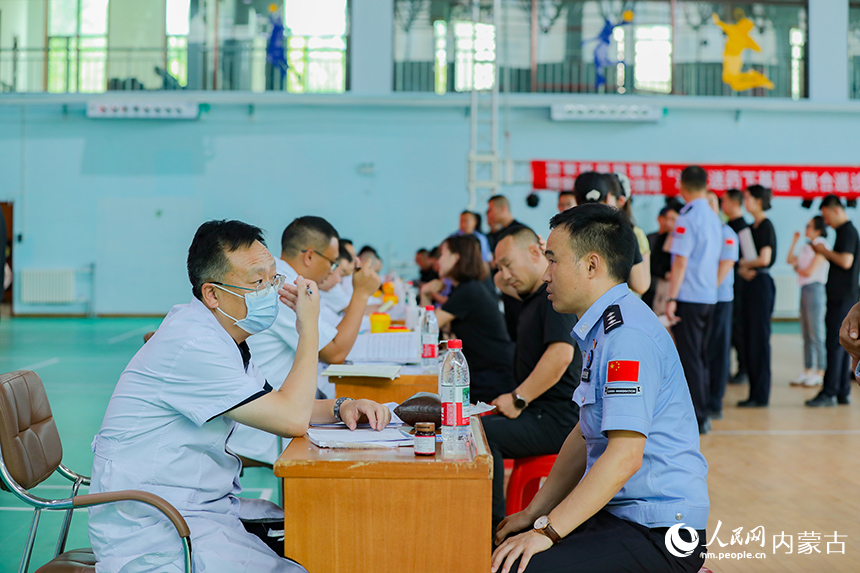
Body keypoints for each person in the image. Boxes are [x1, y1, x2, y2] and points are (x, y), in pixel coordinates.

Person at [88, 220, 390, 573]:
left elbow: (276, 401)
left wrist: (343, 407)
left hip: (196, 506)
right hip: (156, 525)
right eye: (256, 282)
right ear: (212, 294)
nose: (270, 291)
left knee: (313, 537)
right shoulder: (194, 344)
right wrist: (308, 327)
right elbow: (291, 418)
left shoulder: (223, 337)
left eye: (273, 279)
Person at [491, 204, 708, 573]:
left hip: (660, 531)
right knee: (505, 549)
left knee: (516, 567)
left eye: (553, 260)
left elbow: (625, 457)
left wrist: (548, 533)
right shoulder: (603, 331)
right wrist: (534, 515)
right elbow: (584, 434)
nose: (546, 274)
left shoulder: (627, 337)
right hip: (623, 516)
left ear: (592, 266)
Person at [228, 216, 383, 464]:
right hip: (263, 423)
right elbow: (335, 352)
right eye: (332, 263)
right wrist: (362, 293)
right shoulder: (285, 286)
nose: (333, 272)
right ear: (310, 256)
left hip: (281, 406)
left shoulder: (288, 281)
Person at [487, 225, 582, 533]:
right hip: (541, 411)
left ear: (534, 252)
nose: (504, 274)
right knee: (474, 429)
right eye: (498, 267)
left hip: (559, 418)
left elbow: (560, 356)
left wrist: (518, 398)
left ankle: (493, 533)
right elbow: (507, 284)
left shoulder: (555, 296)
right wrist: (504, 273)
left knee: (484, 437)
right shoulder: (533, 297)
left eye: (507, 264)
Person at [419, 234, 515, 403]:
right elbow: (429, 327)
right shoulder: (466, 288)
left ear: (456, 258)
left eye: (442, 254)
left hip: (492, 378)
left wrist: (425, 291)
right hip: (486, 371)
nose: (437, 261)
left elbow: (427, 327)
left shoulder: (469, 291)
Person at [665, 166, 722, 433]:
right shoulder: (713, 216)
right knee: (700, 356)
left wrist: (671, 297)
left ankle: (698, 416)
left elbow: (680, 262)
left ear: (682, 185)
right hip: (709, 296)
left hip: (688, 296)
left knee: (690, 358)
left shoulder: (687, 218)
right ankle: (705, 410)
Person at [807, 195, 860, 407]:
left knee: (836, 343)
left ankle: (830, 392)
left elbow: (846, 261)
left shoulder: (847, 230)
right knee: (839, 346)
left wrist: (823, 251)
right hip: (841, 297)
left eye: (826, 215)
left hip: (844, 299)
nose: (825, 221)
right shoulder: (844, 231)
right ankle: (841, 391)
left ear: (836, 210)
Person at [572, 172, 650, 295]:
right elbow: (641, 285)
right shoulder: (624, 232)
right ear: (609, 197)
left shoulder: (567, 231)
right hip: (616, 309)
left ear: (576, 199)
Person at [736, 185, 777, 408]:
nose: (746, 201)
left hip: (761, 285)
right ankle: (753, 393)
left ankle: (761, 395)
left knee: (759, 340)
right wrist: (742, 269)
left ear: (759, 200)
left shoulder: (766, 225)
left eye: (748, 198)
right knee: (750, 339)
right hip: (749, 286)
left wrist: (741, 263)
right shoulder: (750, 227)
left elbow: (764, 259)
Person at [706, 191, 739, 419]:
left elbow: (726, 264)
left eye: (710, 203)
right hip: (700, 300)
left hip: (719, 299)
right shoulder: (700, 233)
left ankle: (715, 400)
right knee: (702, 351)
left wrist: (708, 290)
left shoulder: (726, 233)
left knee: (718, 349)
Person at [786, 216, 829, 387]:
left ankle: (820, 371)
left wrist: (797, 268)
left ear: (818, 229)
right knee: (806, 333)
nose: (806, 229)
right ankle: (808, 369)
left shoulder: (822, 245)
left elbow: (809, 271)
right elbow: (790, 260)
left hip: (815, 289)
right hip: (804, 289)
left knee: (816, 333)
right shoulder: (806, 246)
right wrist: (794, 242)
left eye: (809, 226)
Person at [721, 188, 750, 385]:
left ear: (733, 202)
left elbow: (750, 257)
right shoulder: (726, 225)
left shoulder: (742, 227)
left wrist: (741, 268)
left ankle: (743, 369)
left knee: (739, 329)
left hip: (740, 288)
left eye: (724, 201)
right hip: (730, 286)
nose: (722, 205)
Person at [643, 204, 679, 312]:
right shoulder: (658, 238)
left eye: (672, 219)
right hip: (656, 286)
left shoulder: (682, 239)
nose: (668, 222)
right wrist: (665, 274)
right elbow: (653, 263)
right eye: (666, 218)